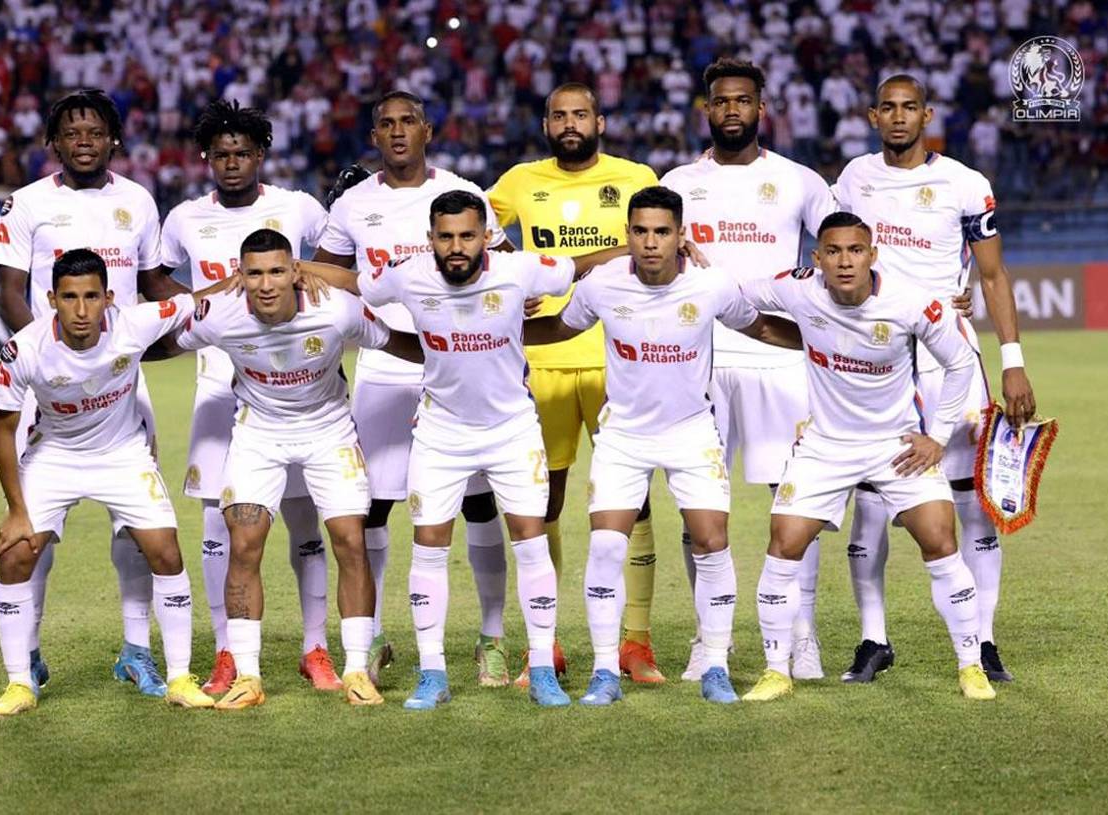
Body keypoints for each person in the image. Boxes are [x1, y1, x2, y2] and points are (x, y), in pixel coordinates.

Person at [304, 190, 629, 710]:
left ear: (485, 238)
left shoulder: (520, 270)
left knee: (530, 540)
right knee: (429, 543)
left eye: (467, 236)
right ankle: (432, 674)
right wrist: (295, 266)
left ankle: (541, 668)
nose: (457, 247)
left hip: (512, 429)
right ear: (430, 239)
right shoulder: (409, 274)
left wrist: (644, 247)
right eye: (446, 237)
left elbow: (583, 265)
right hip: (440, 433)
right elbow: (352, 280)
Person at [523, 186, 801, 705]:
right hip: (623, 435)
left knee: (712, 542)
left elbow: (760, 325)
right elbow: (560, 328)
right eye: (641, 231)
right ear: (627, 233)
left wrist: (824, 337)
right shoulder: (602, 285)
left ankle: (716, 664)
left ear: (680, 236)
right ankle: (606, 670)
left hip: (692, 431)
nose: (651, 243)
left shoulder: (711, 285)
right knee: (606, 546)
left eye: (662, 232)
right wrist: (498, 330)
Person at [738, 212, 996, 703]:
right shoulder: (798, 290)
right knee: (783, 543)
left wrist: (937, 437)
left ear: (872, 254)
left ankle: (970, 665)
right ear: (817, 260)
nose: (844, 261)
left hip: (895, 446)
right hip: (825, 447)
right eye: (832, 251)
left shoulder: (909, 302)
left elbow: (961, 362)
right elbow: (736, 291)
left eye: (855, 250)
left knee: (940, 539)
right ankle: (776, 670)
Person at [832, 74, 1036, 683]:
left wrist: (1014, 360)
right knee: (870, 506)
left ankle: (984, 639)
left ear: (928, 113)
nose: (899, 118)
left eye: (909, 108)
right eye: (888, 109)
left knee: (972, 508)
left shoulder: (966, 184)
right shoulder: (853, 178)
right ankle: (874, 640)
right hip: (875, 362)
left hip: (951, 359)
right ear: (873, 116)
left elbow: (994, 276)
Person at [313, 91, 514, 687]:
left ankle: (492, 639)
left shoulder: (461, 193)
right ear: (374, 135)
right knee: (373, 504)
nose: (398, 133)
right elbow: (325, 274)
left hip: (458, 369)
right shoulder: (353, 204)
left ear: (428, 129)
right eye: (386, 125)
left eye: (408, 122)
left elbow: (503, 268)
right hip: (383, 367)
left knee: (478, 503)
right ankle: (373, 637)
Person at [175, 228, 422, 709]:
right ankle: (248, 675)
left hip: (329, 431)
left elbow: (394, 340)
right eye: (254, 273)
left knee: (351, 540)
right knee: (243, 544)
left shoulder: (335, 309)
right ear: (239, 278)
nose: (266, 284)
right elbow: (163, 342)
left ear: (295, 272)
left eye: (275, 271)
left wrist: (451, 354)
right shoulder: (221, 315)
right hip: (256, 434)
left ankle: (355, 670)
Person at [0, 89, 186, 698]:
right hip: (50, 377)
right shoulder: (24, 204)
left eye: (95, 131)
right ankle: (28, 656)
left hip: (122, 375)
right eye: (71, 132)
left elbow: (155, 283)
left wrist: (227, 298)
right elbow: (10, 291)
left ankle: (136, 651)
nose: (83, 140)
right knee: (32, 530)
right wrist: (54, 355)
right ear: (55, 141)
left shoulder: (137, 199)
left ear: (113, 139)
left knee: (136, 522)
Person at [0, 248, 228, 715]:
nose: (82, 310)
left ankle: (179, 676)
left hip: (122, 455)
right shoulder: (24, 349)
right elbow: (2, 431)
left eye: (92, 297)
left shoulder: (134, 322)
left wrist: (247, 278)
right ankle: (19, 684)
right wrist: (16, 510)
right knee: (16, 554)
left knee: (165, 550)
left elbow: (199, 299)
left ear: (109, 297)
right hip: (54, 455)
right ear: (51, 299)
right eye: (70, 297)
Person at [660, 59, 837, 681]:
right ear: (705, 110)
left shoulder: (799, 181)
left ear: (762, 108)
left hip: (777, 355)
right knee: (697, 504)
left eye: (743, 100)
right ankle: (711, 643)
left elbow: (846, 246)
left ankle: (801, 634)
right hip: (696, 360)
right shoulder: (678, 181)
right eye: (721, 101)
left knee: (795, 499)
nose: (732, 110)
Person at [489, 82, 666, 686]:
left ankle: (635, 643)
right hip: (544, 362)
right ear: (546, 124)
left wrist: (584, 261)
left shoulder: (634, 173)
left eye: (580, 114)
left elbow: (652, 241)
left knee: (632, 501)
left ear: (601, 120)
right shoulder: (519, 181)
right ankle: (551, 643)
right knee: (543, 502)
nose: (570, 123)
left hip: (622, 360)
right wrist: (515, 273)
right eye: (559, 115)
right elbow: (472, 230)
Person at [159, 99, 338, 695]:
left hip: (297, 380)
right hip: (218, 384)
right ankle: (228, 652)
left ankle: (316, 648)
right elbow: (159, 285)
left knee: (304, 520)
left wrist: (308, 273)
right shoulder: (185, 218)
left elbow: (339, 264)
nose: (232, 163)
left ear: (260, 155)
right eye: (221, 153)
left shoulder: (299, 208)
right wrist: (214, 291)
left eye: (243, 152)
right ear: (205, 157)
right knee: (219, 522)